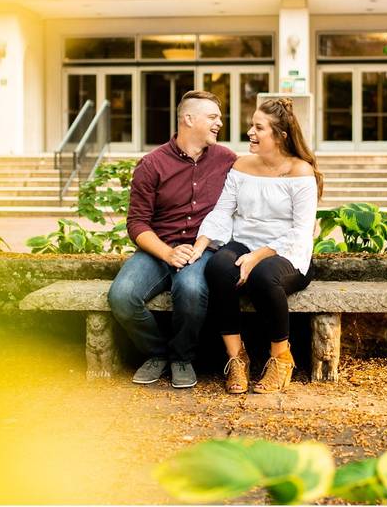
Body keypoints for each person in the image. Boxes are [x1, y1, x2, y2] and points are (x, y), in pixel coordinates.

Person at [189, 97, 323, 394]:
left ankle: (281, 358)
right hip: (245, 242)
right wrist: (201, 244)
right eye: (252, 125)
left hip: (288, 252)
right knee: (219, 267)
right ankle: (236, 357)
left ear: (279, 136)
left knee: (264, 276)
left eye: (258, 127)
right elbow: (223, 211)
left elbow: (301, 231)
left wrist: (257, 256)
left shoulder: (300, 172)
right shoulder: (242, 166)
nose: (250, 131)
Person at [109, 90, 237, 388]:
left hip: (200, 249)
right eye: (213, 117)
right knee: (122, 297)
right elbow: (137, 222)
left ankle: (182, 357)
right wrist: (167, 254)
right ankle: (157, 353)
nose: (220, 122)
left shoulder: (226, 160)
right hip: (158, 248)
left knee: (191, 289)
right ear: (189, 119)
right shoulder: (152, 164)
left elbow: (259, 180)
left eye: (219, 117)